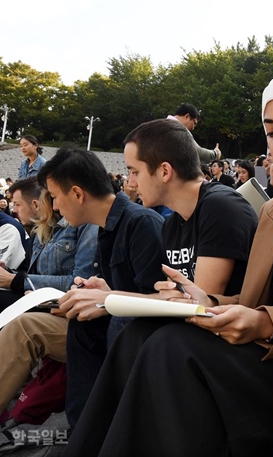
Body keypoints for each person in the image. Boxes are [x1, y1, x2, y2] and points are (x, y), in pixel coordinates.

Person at [62, 66, 273, 457]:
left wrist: (268, 321)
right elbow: (254, 300)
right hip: (263, 352)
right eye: (271, 132)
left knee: (170, 346)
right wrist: (206, 301)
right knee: (140, 335)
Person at [36, 147, 167, 429]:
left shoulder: (141, 223)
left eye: (55, 198)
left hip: (143, 341)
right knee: (81, 321)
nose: (55, 207)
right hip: (122, 331)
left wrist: (108, 298)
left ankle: (94, 430)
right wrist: (102, 289)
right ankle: (85, 429)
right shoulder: (109, 227)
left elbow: (161, 301)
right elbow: (131, 288)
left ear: (78, 194)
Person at [123, 118, 258, 295]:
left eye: (135, 172)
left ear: (164, 171)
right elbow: (175, 299)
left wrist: (111, 298)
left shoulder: (219, 208)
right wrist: (109, 298)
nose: (131, 183)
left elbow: (201, 307)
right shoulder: (172, 225)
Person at [0, 186, 98, 415]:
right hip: (49, 303)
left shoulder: (83, 225)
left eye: (54, 197)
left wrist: (17, 281)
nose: (54, 205)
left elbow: (78, 280)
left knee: (24, 327)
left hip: (75, 312)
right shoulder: (45, 229)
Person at [0, 177, 98, 310]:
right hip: (40, 298)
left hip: (60, 304)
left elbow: (80, 282)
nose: (14, 210)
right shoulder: (41, 230)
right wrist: (8, 273)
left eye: (54, 197)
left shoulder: (85, 224)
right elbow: (31, 272)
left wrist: (14, 280)